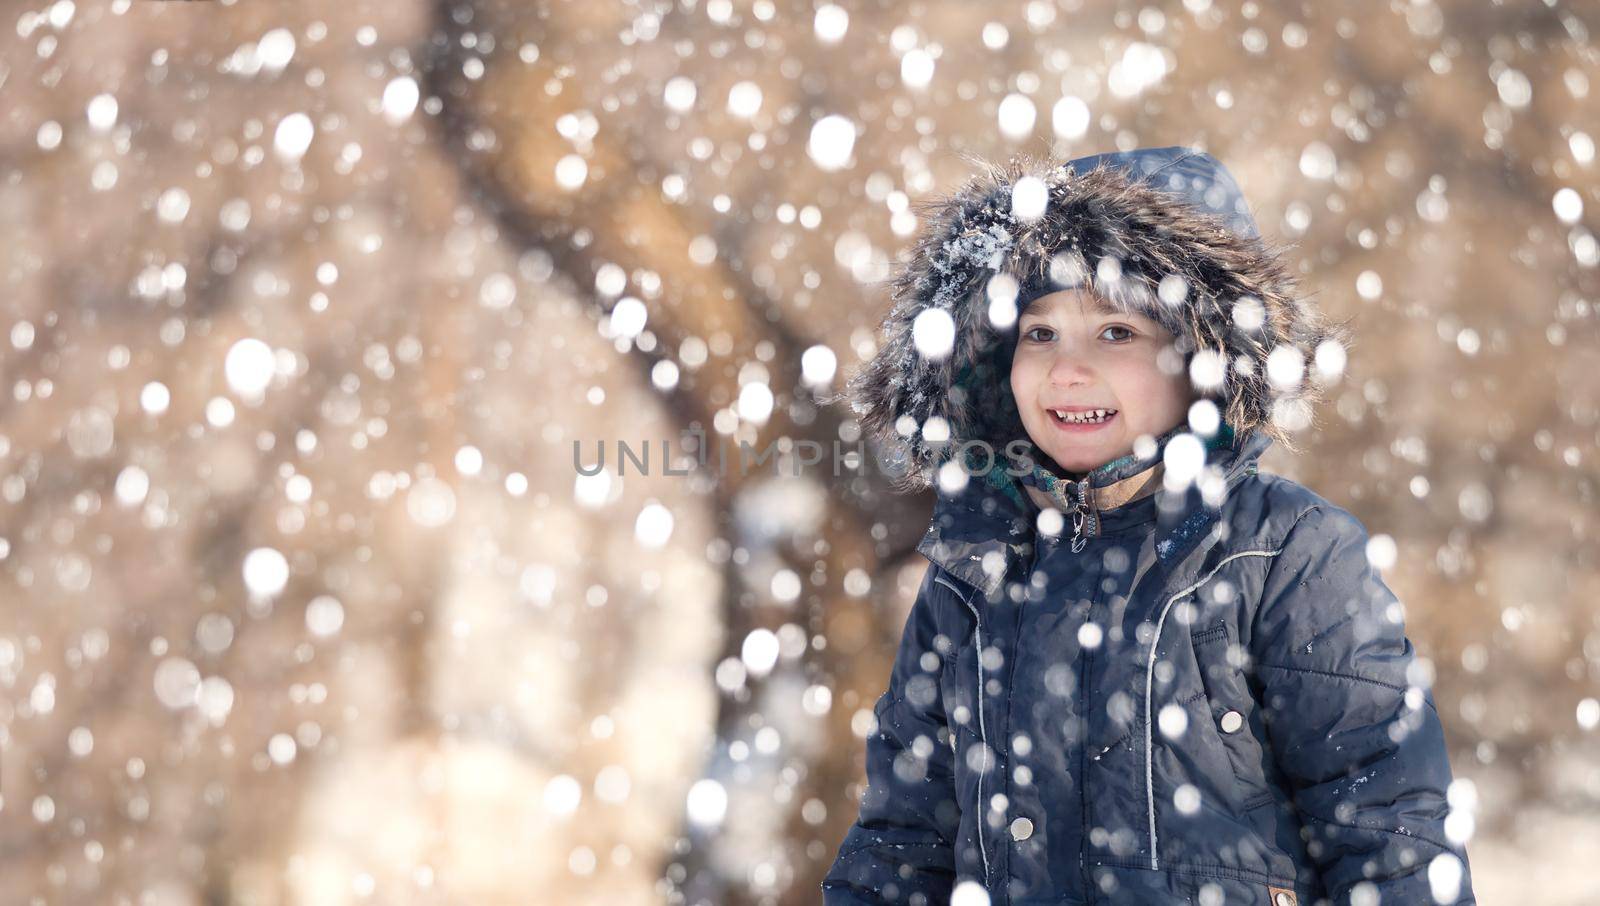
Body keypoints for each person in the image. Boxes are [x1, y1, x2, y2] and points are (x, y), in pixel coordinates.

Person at [822, 147, 1477, 905]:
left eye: (1116, 333)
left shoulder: (1285, 555)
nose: (1067, 370)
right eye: (1039, 333)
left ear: (1201, 353)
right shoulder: (976, 570)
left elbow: (1391, 835)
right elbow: (902, 845)